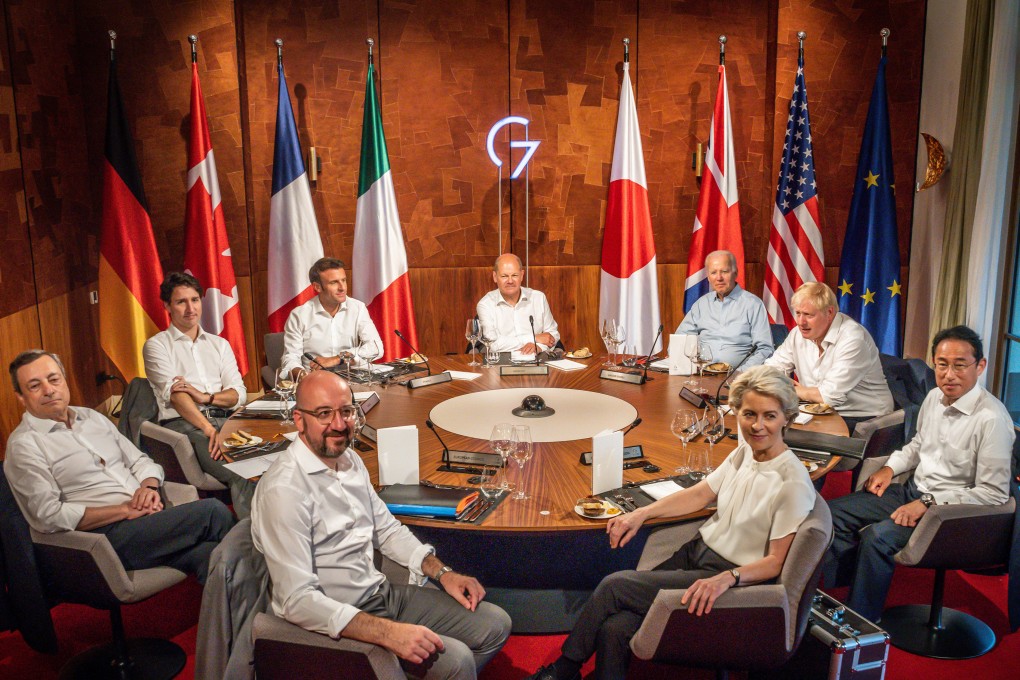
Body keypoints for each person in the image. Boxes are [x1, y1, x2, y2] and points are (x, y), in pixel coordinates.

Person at [527, 365, 817, 680]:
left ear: (787, 417)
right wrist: (640, 514)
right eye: (749, 414)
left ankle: (563, 671)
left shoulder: (793, 482)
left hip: (727, 579)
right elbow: (700, 494)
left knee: (614, 586)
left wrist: (727, 579)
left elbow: (775, 562)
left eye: (769, 416)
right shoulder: (745, 452)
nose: (757, 426)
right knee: (614, 628)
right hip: (697, 553)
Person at [250, 370, 511, 677]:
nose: (338, 424)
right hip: (337, 619)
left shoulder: (350, 461)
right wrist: (389, 634)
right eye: (323, 414)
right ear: (299, 419)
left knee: (495, 624)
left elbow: (386, 530)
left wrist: (443, 574)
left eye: (346, 411)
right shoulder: (284, 490)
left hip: (380, 593)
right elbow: (296, 600)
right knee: (457, 660)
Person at [823, 326, 1014, 622]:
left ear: (980, 366)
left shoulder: (992, 420)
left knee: (879, 537)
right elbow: (918, 444)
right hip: (913, 490)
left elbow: (994, 493)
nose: (949, 374)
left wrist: (926, 504)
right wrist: (890, 468)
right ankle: (839, 593)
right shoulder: (934, 397)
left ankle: (859, 621)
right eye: (942, 364)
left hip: (951, 513)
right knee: (832, 512)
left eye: (960, 365)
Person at [4, 350, 234, 583]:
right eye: (35, 386)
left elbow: (139, 460)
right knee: (213, 512)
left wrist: (149, 489)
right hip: (103, 538)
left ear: (64, 380)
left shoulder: (91, 418)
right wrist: (125, 510)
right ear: (21, 396)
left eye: (54, 379)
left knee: (211, 555)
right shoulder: (24, 446)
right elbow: (47, 516)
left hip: (146, 520)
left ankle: (236, 616)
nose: (49, 390)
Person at [142, 272, 256, 518]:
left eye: (195, 300)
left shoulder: (219, 344)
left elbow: (238, 394)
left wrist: (206, 397)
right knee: (243, 471)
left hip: (229, 419)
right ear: (167, 306)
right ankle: (253, 543)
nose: (190, 308)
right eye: (181, 302)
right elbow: (177, 396)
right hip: (188, 426)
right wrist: (208, 428)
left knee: (276, 459)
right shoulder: (157, 346)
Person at [765, 281, 893, 433]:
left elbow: (827, 396)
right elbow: (770, 370)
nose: (800, 322)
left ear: (830, 312)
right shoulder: (797, 334)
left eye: (808, 315)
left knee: (783, 438)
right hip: (817, 413)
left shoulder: (853, 338)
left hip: (864, 419)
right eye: (798, 313)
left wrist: (785, 388)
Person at [280, 257, 383, 377]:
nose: (342, 287)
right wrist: (301, 374)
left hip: (352, 378)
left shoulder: (357, 308)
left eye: (343, 280)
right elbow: (291, 357)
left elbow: (376, 348)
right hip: (316, 380)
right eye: (334, 282)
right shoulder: (299, 315)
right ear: (317, 287)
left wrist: (338, 358)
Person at [676, 250, 774, 367]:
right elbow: (680, 339)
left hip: (737, 377)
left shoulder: (753, 305)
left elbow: (765, 349)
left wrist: (741, 374)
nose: (719, 278)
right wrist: (678, 361)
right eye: (713, 273)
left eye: (724, 271)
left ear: (735, 273)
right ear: (708, 277)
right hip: (702, 373)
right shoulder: (701, 304)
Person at [476, 253, 560, 355]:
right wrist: (534, 338)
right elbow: (493, 344)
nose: (510, 281)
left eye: (515, 275)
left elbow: (552, 335)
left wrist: (538, 347)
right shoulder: (485, 304)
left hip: (537, 361)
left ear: (522, 275)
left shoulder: (538, 298)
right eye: (504, 276)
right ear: (495, 277)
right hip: (501, 364)